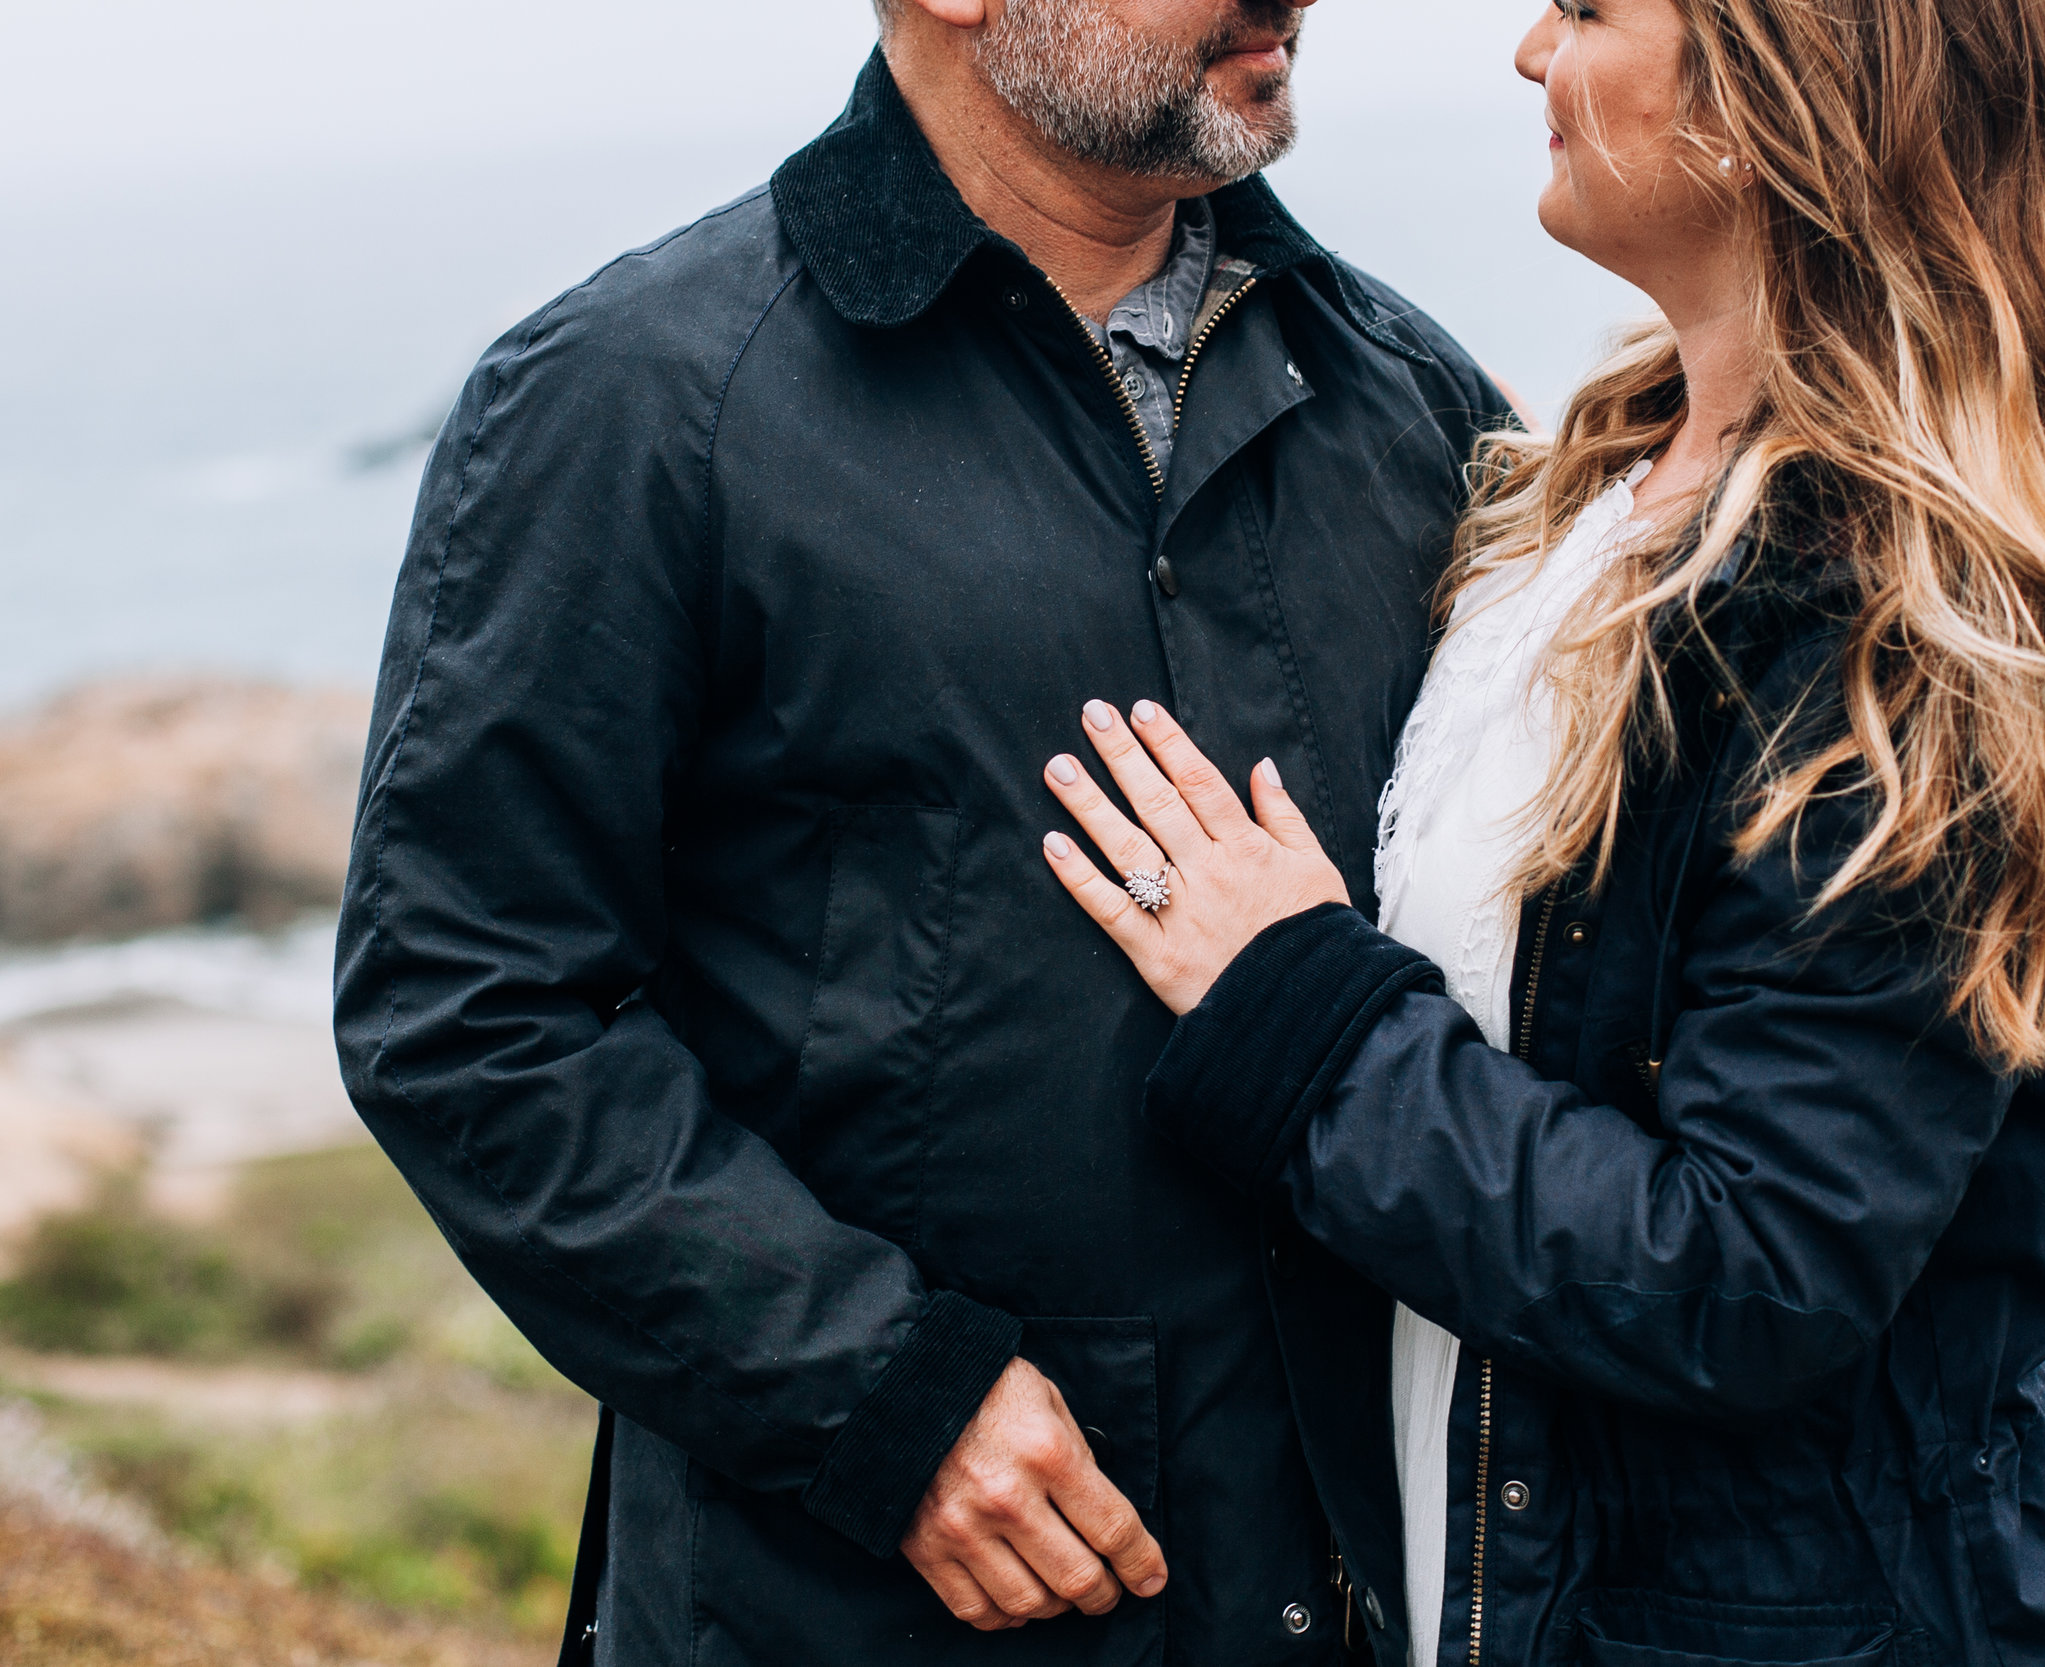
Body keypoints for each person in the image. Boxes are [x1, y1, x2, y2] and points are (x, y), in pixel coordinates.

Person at [1039, 0, 2045, 1662]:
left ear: (1795, 81)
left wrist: (1291, 1014)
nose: (1525, 53)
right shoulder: (1589, 495)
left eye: (1585, 11)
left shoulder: (1920, 629)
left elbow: (1751, 1266)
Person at [331, 0, 1512, 1660]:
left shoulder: (1415, 401)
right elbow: (468, 1012)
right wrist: (880, 1397)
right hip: (853, 1605)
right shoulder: (631, 399)